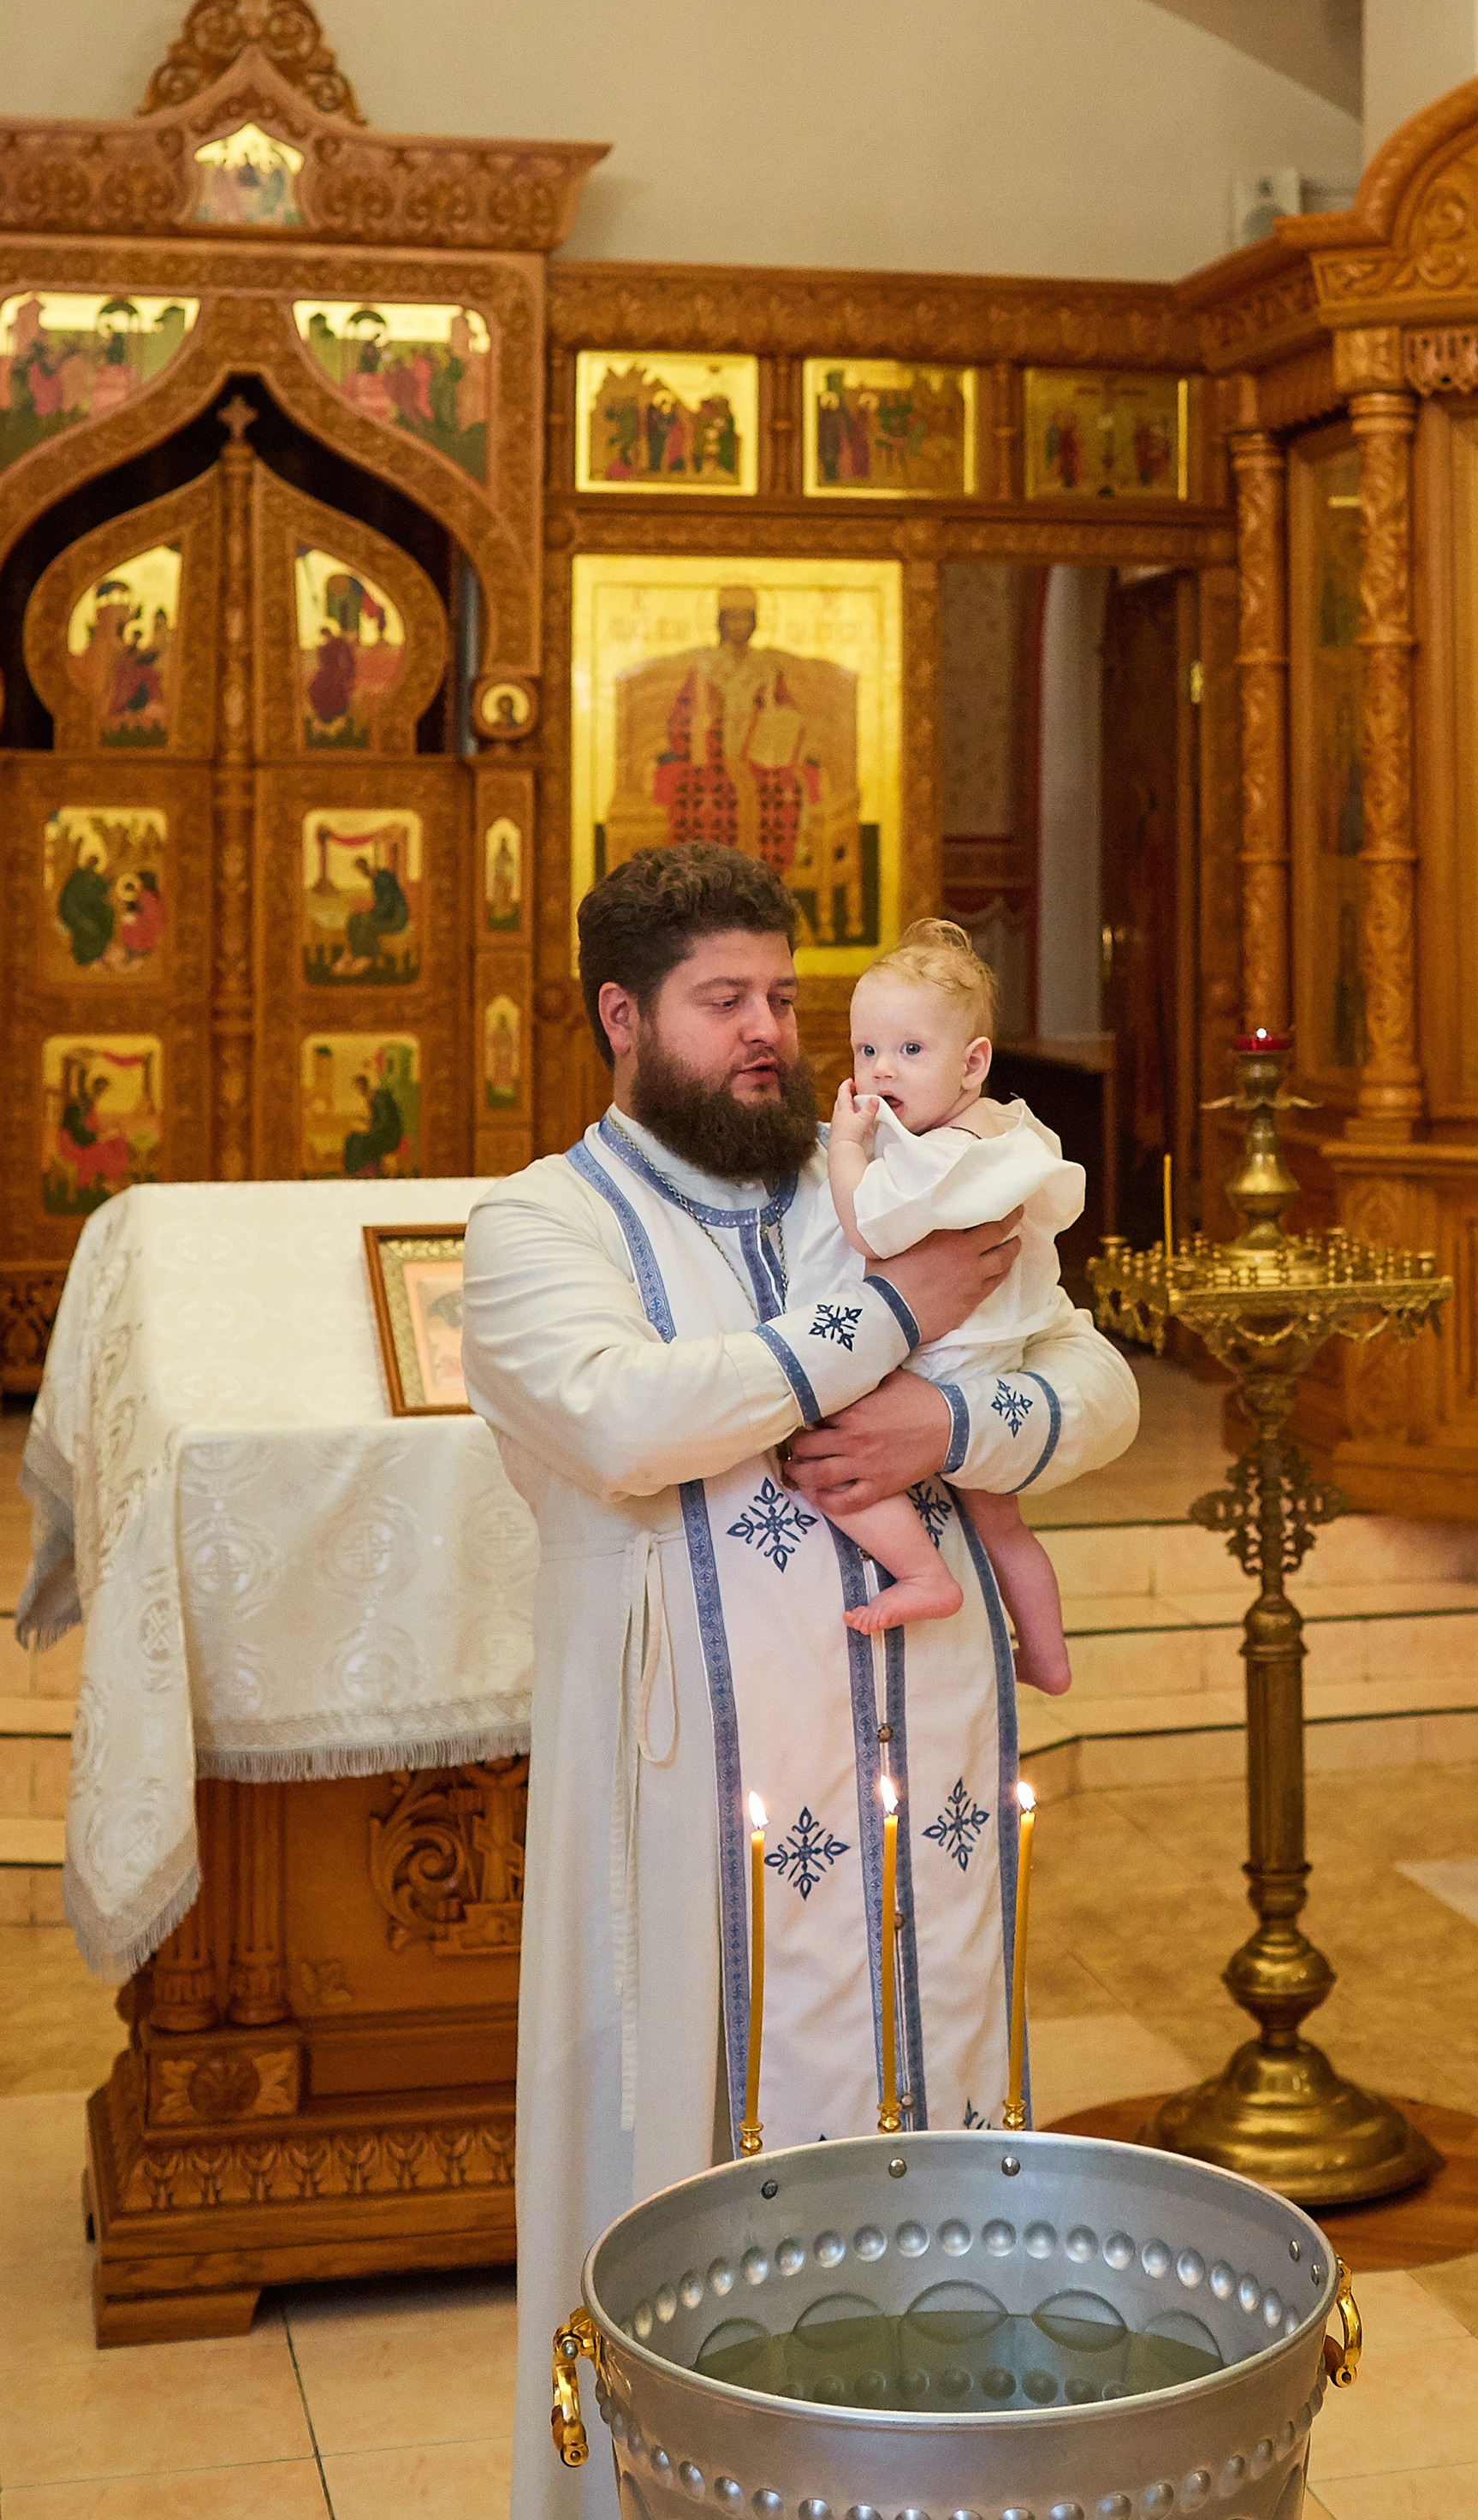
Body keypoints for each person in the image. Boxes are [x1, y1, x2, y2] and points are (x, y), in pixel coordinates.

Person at [459, 844, 1137, 2520]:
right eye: (722, 1001)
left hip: (938, 1786)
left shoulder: (878, 1172)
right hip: (705, 1822)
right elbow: (631, 1417)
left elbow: (1099, 1380)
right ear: (622, 1016)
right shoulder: (541, 1223)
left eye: (782, 995)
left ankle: (957, 2475)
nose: (769, 1030)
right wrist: (884, 1323)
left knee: (947, 2109)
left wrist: (954, 1423)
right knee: (706, 2175)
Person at [792, 920, 1081, 1695]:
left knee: (824, 1456)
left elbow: (871, 1227)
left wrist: (848, 1150)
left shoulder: (936, 1155)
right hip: (992, 1355)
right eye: (866, 1052)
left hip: (942, 1359)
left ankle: (923, 1575)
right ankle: (1049, 1656)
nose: (882, 1072)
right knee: (1003, 1524)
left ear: (972, 1062)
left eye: (910, 1052)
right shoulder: (1005, 1133)